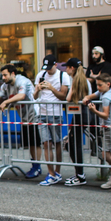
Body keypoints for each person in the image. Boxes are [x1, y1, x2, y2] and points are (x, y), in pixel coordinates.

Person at [0, 64, 42, 178]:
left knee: (34, 142)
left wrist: (6, 102)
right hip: (24, 117)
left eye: (5, 75)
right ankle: (35, 165)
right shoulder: (6, 86)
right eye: (2, 75)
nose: (3, 78)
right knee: (29, 143)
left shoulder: (23, 81)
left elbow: (21, 96)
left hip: (34, 114)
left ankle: (37, 167)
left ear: (13, 74)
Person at [34, 54, 70, 186]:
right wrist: (37, 89)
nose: (48, 70)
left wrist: (51, 88)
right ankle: (51, 174)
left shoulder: (63, 76)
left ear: (55, 65)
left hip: (56, 113)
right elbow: (34, 95)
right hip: (42, 113)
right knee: (46, 143)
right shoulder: (41, 75)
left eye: (50, 67)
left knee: (58, 143)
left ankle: (57, 171)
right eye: (46, 68)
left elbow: (63, 96)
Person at [64, 58, 92, 187]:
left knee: (74, 145)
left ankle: (80, 175)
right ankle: (79, 173)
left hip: (80, 115)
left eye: (67, 67)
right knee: (74, 144)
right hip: (82, 115)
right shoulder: (85, 81)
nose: (65, 69)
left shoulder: (76, 81)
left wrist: (71, 90)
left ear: (72, 68)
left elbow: (68, 98)